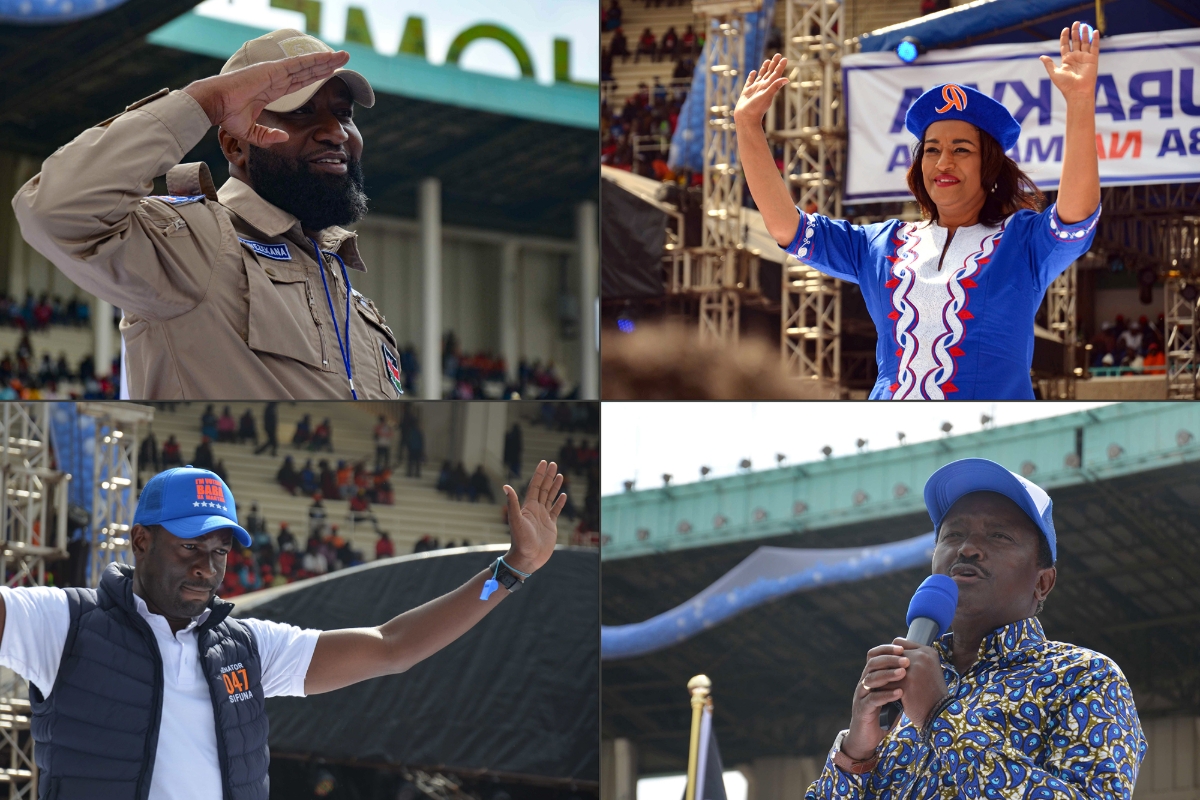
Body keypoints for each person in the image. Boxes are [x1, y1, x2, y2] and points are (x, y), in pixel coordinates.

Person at [0, 463, 560, 799]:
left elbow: (393, 648)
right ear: (141, 541)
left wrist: (509, 573)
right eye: (190, 547)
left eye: (219, 552)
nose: (206, 567)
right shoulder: (65, 623)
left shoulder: (246, 648)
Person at [11, 30, 406, 399]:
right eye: (301, 111)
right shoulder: (194, 241)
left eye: (344, 113)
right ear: (235, 145)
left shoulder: (361, 310)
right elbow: (55, 210)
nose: (336, 131)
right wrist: (205, 104)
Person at [737, 28, 1101, 400]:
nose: (943, 162)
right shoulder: (880, 244)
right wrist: (748, 126)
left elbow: (1077, 212)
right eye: (931, 150)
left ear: (989, 167)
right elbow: (787, 228)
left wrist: (1079, 101)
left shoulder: (1023, 241)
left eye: (961, 150)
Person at [810, 458, 1145, 799]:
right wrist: (856, 753)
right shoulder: (902, 686)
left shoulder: (1084, 677)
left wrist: (939, 715)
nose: (966, 549)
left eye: (998, 535)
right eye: (952, 534)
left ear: (1042, 582)